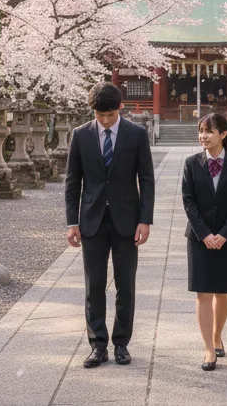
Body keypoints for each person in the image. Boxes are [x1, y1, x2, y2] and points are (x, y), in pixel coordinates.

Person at [65, 81, 155, 368]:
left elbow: (147, 180)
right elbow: (72, 183)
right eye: (99, 115)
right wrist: (71, 222)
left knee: (126, 284)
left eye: (110, 115)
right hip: (91, 221)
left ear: (120, 108)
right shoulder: (80, 135)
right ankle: (98, 344)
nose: (105, 121)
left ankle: (121, 343)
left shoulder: (137, 134)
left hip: (126, 220)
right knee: (94, 285)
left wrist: (145, 219)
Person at [181, 113, 227, 371]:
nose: (204, 136)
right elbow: (189, 201)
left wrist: (224, 233)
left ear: (223, 134)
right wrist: (205, 234)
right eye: (201, 131)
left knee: (222, 291)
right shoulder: (191, 163)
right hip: (199, 238)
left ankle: (218, 334)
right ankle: (209, 348)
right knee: (203, 293)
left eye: (209, 131)